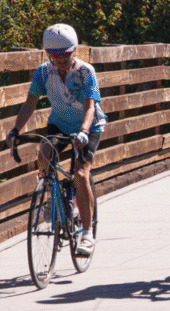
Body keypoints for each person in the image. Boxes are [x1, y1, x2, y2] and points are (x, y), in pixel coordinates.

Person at [7, 23, 107, 256]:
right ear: (48, 54)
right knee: (43, 155)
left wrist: (83, 130)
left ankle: (87, 233)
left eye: (66, 55)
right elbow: (30, 103)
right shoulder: (43, 72)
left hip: (89, 125)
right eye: (55, 56)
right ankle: (52, 199)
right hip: (60, 124)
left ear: (75, 51)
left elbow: (90, 106)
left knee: (81, 174)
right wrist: (15, 129)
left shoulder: (85, 72)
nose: (61, 60)